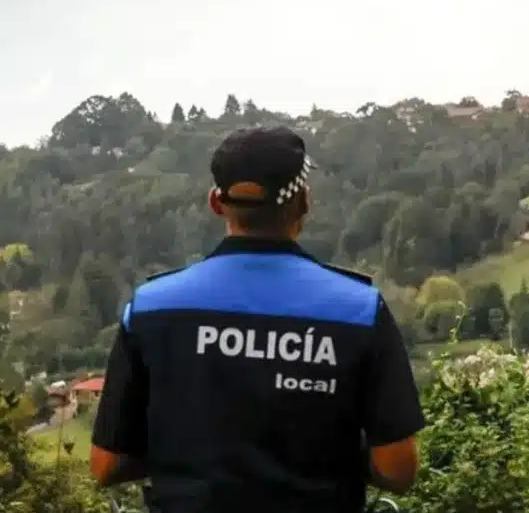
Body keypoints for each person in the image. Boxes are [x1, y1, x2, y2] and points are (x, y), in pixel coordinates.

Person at [89, 125, 425, 513]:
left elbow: (105, 464)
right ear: (304, 201)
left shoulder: (151, 307)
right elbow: (398, 469)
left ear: (216, 203)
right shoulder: (360, 309)